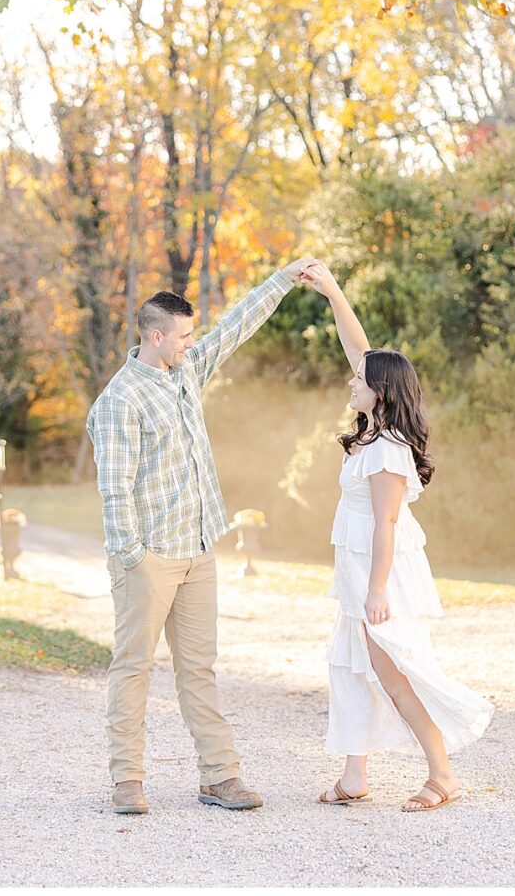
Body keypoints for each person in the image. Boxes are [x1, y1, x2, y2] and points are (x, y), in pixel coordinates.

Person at [89, 256, 318, 815]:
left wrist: (283, 279)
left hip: (198, 551)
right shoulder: (121, 400)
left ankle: (219, 777)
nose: (194, 342)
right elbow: (113, 492)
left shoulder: (185, 371)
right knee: (133, 667)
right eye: (184, 335)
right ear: (155, 335)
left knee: (199, 670)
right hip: (149, 559)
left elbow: (237, 326)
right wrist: (134, 558)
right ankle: (128, 782)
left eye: (193, 334)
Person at [299, 261, 493, 811]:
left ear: (380, 392)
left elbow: (385, 523)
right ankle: (354, 775)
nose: (350, 380)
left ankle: (442, 773)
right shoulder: (373, 434)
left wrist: (377, 589)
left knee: (396, 673)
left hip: (381, 573)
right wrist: (333, 291)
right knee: (352, 666)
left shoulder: (386, 451)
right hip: (360, 569)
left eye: (359, 380)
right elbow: (355, 345)